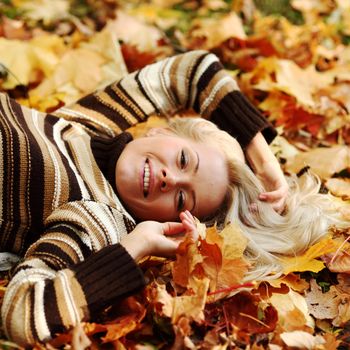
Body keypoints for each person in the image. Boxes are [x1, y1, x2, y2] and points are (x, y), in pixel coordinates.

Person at [0, 49, 306, 346]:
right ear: (159, 132)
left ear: (169, 223)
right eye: (184, 159)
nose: (170, 179)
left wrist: (136, 245)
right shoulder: (88, 125)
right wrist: (265, 163)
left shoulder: (98, 216)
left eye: (182, 199)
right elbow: (194, 69)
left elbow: (24, 313)